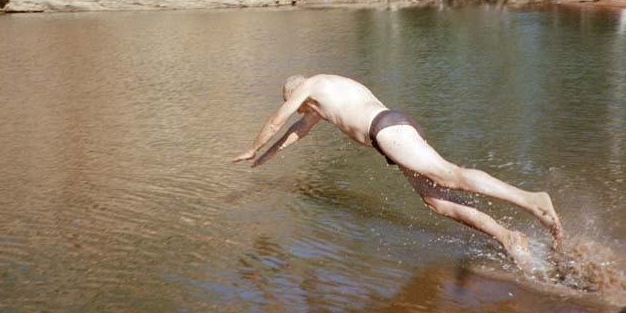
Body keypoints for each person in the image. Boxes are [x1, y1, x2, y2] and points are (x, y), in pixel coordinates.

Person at [233, 74, 563, 269]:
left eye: (298, 105)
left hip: (387, 131)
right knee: (437, 201)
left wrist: (253, 147)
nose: (302, 111)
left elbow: (278, 121)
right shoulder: (326, 91)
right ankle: (508, 237)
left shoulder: (310, 85)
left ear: (295, 93)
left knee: (449, 175)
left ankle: (532, 200)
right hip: (392, 131)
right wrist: (270, 154)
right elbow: (298, 129)